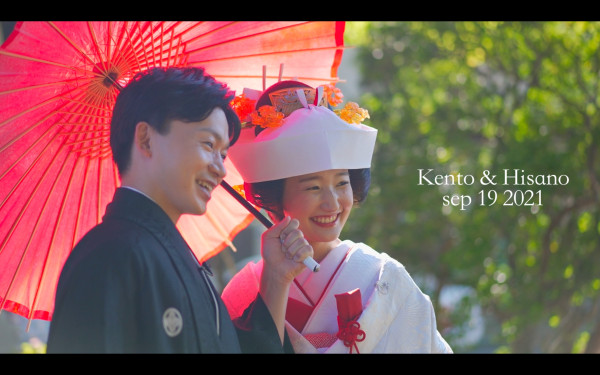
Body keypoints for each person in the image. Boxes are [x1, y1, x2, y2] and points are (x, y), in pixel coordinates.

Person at [46, 67, 313, 353]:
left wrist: (276, 276)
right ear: (146, 139)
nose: (220, 169)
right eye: (208, 144)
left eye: (223, 154)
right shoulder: (108, 256)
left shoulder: (172, 253)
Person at [221, 80, 453, 353]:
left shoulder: (385, 279)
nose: (332, 202)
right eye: (313, 187)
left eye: (342, 183)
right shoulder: (245, 289)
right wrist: (274, 283)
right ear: (275, 198)